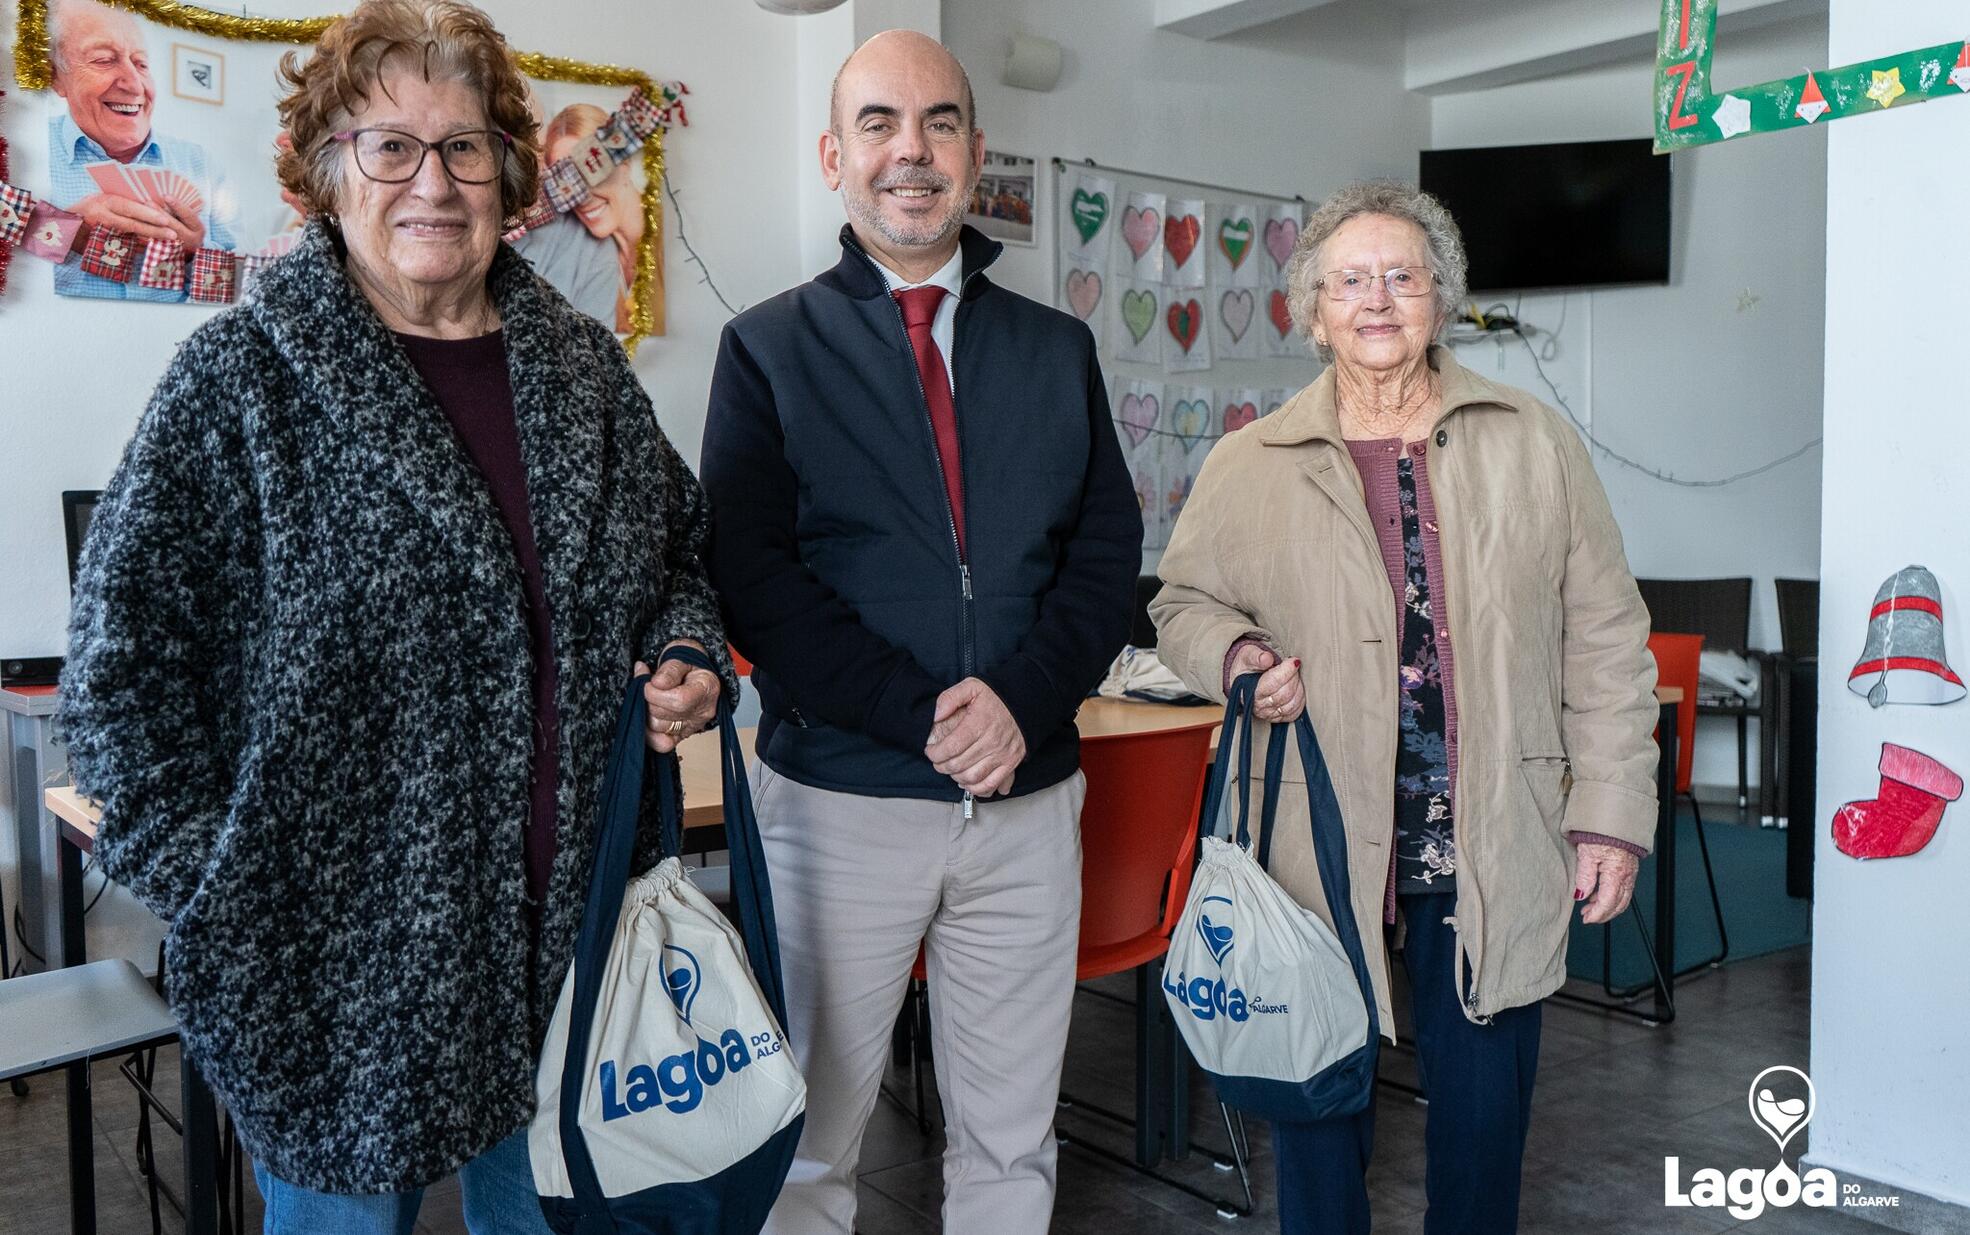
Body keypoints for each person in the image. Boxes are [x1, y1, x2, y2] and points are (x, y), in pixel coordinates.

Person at [59, 1, 734, 1229]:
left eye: (464, 146)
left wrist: (686, 651)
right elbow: (116, 674)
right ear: (327, 170)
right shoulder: (241, 380)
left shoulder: (582, 375)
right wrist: (227, 891)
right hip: (333, 979)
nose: (432, 179)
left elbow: (678, 555)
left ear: (508, 173)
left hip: (567, 948)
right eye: (388, 145)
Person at [1150, 179, 1661, 1235]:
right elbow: (1180, 603)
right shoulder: (1250, 460)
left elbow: (1604, 632)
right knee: (1317, 1121)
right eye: (1348, 281)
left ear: (1440, 297)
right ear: (1312, 308)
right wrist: (1236, 653)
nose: (1375, 300)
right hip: (1318, 840)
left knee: (1481, 1131)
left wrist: (1610, 808)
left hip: (1487, 836)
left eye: (1401, 277)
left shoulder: (1532, 438)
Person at [699, 30, 1140, 1235]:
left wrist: (1019, 702)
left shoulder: (1058, 349)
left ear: (974, 154)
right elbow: (751, 577)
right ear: (835, 156)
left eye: (939, 123)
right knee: (803, 1145)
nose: (913, 150)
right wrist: (921, 713)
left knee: (1010, 1143)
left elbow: (1104, 563)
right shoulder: (767, 348)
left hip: (1026, 801)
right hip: (840, 804)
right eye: (882, 124)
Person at [44, 0, 236, 300]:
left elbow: (243, 293)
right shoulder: (25, 151)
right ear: (56, 77)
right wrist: (66, 231)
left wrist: (193, 256)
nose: (134, 85)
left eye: (141, 64)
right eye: (104, 60)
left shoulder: (200, 162)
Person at [541, 102, 641, 333]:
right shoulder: (581, 254)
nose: (582, 196)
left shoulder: (671, 249)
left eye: (591, 171)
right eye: (565, 182)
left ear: (624, 165)